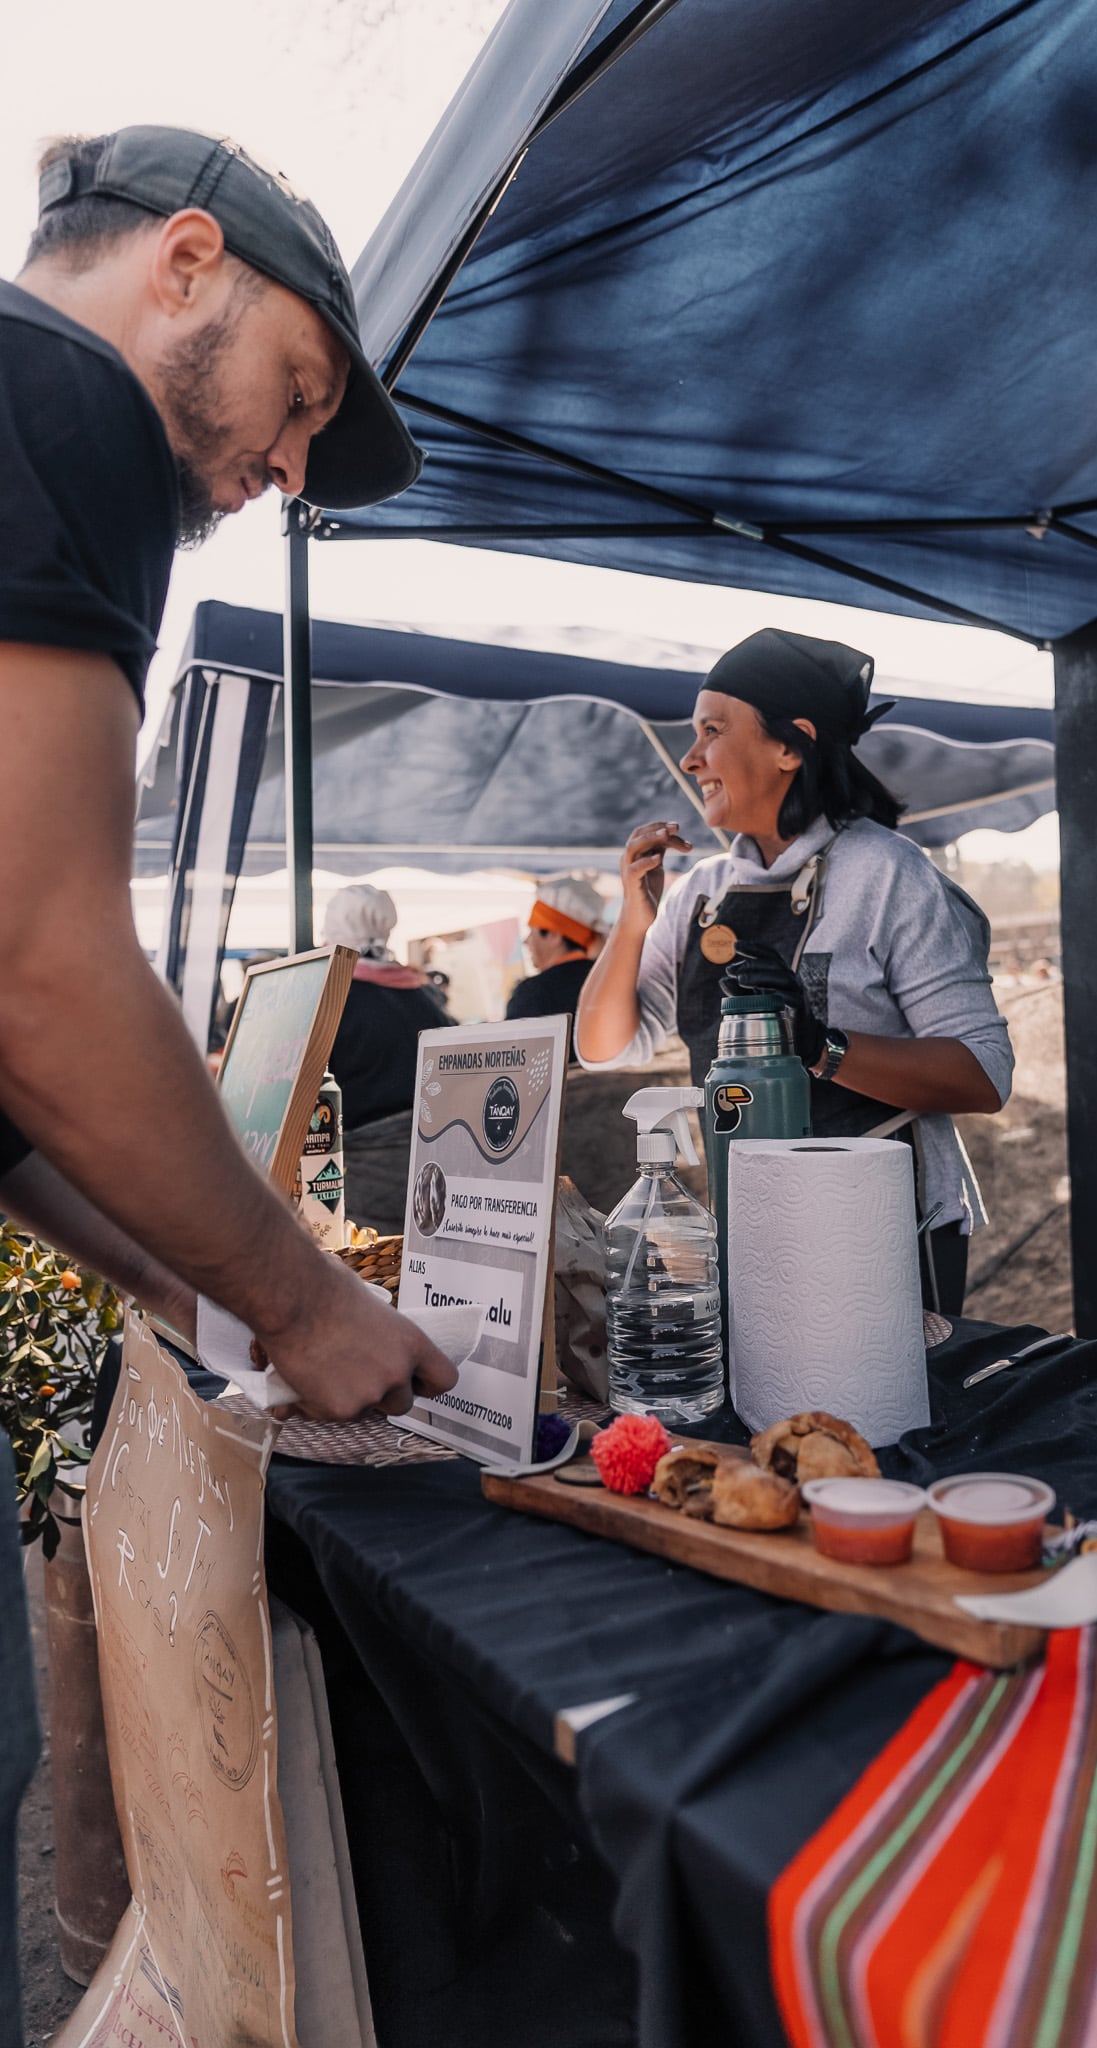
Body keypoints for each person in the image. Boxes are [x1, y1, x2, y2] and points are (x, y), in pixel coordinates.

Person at [0, 127, 455, 1424]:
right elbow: (37, 969)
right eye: (299, 392)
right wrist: (306, 1303)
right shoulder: (66, 393)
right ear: (187, 262)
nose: (294, 471)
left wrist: (213, 1295)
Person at [575, 628, 1013, 1313]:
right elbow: (603, 1049)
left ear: (789, 744)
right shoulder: (702, 891)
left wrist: (817, 1046)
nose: (691, 759)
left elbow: (984, 1076)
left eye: (712, 731)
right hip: (751, 1217)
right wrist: (634, 920)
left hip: (886, 1224)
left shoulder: (888, 873)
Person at [320, 885, 450, 1128]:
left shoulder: (330, 1002)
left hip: (350, 1156)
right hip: (422, 1149)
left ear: (332, 933)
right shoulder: (427, 1000)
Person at [505, 875, 606, 1042]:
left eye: (532, 931)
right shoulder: (608, 980)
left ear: (554, 935)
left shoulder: (533, 993)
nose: (526, 941)